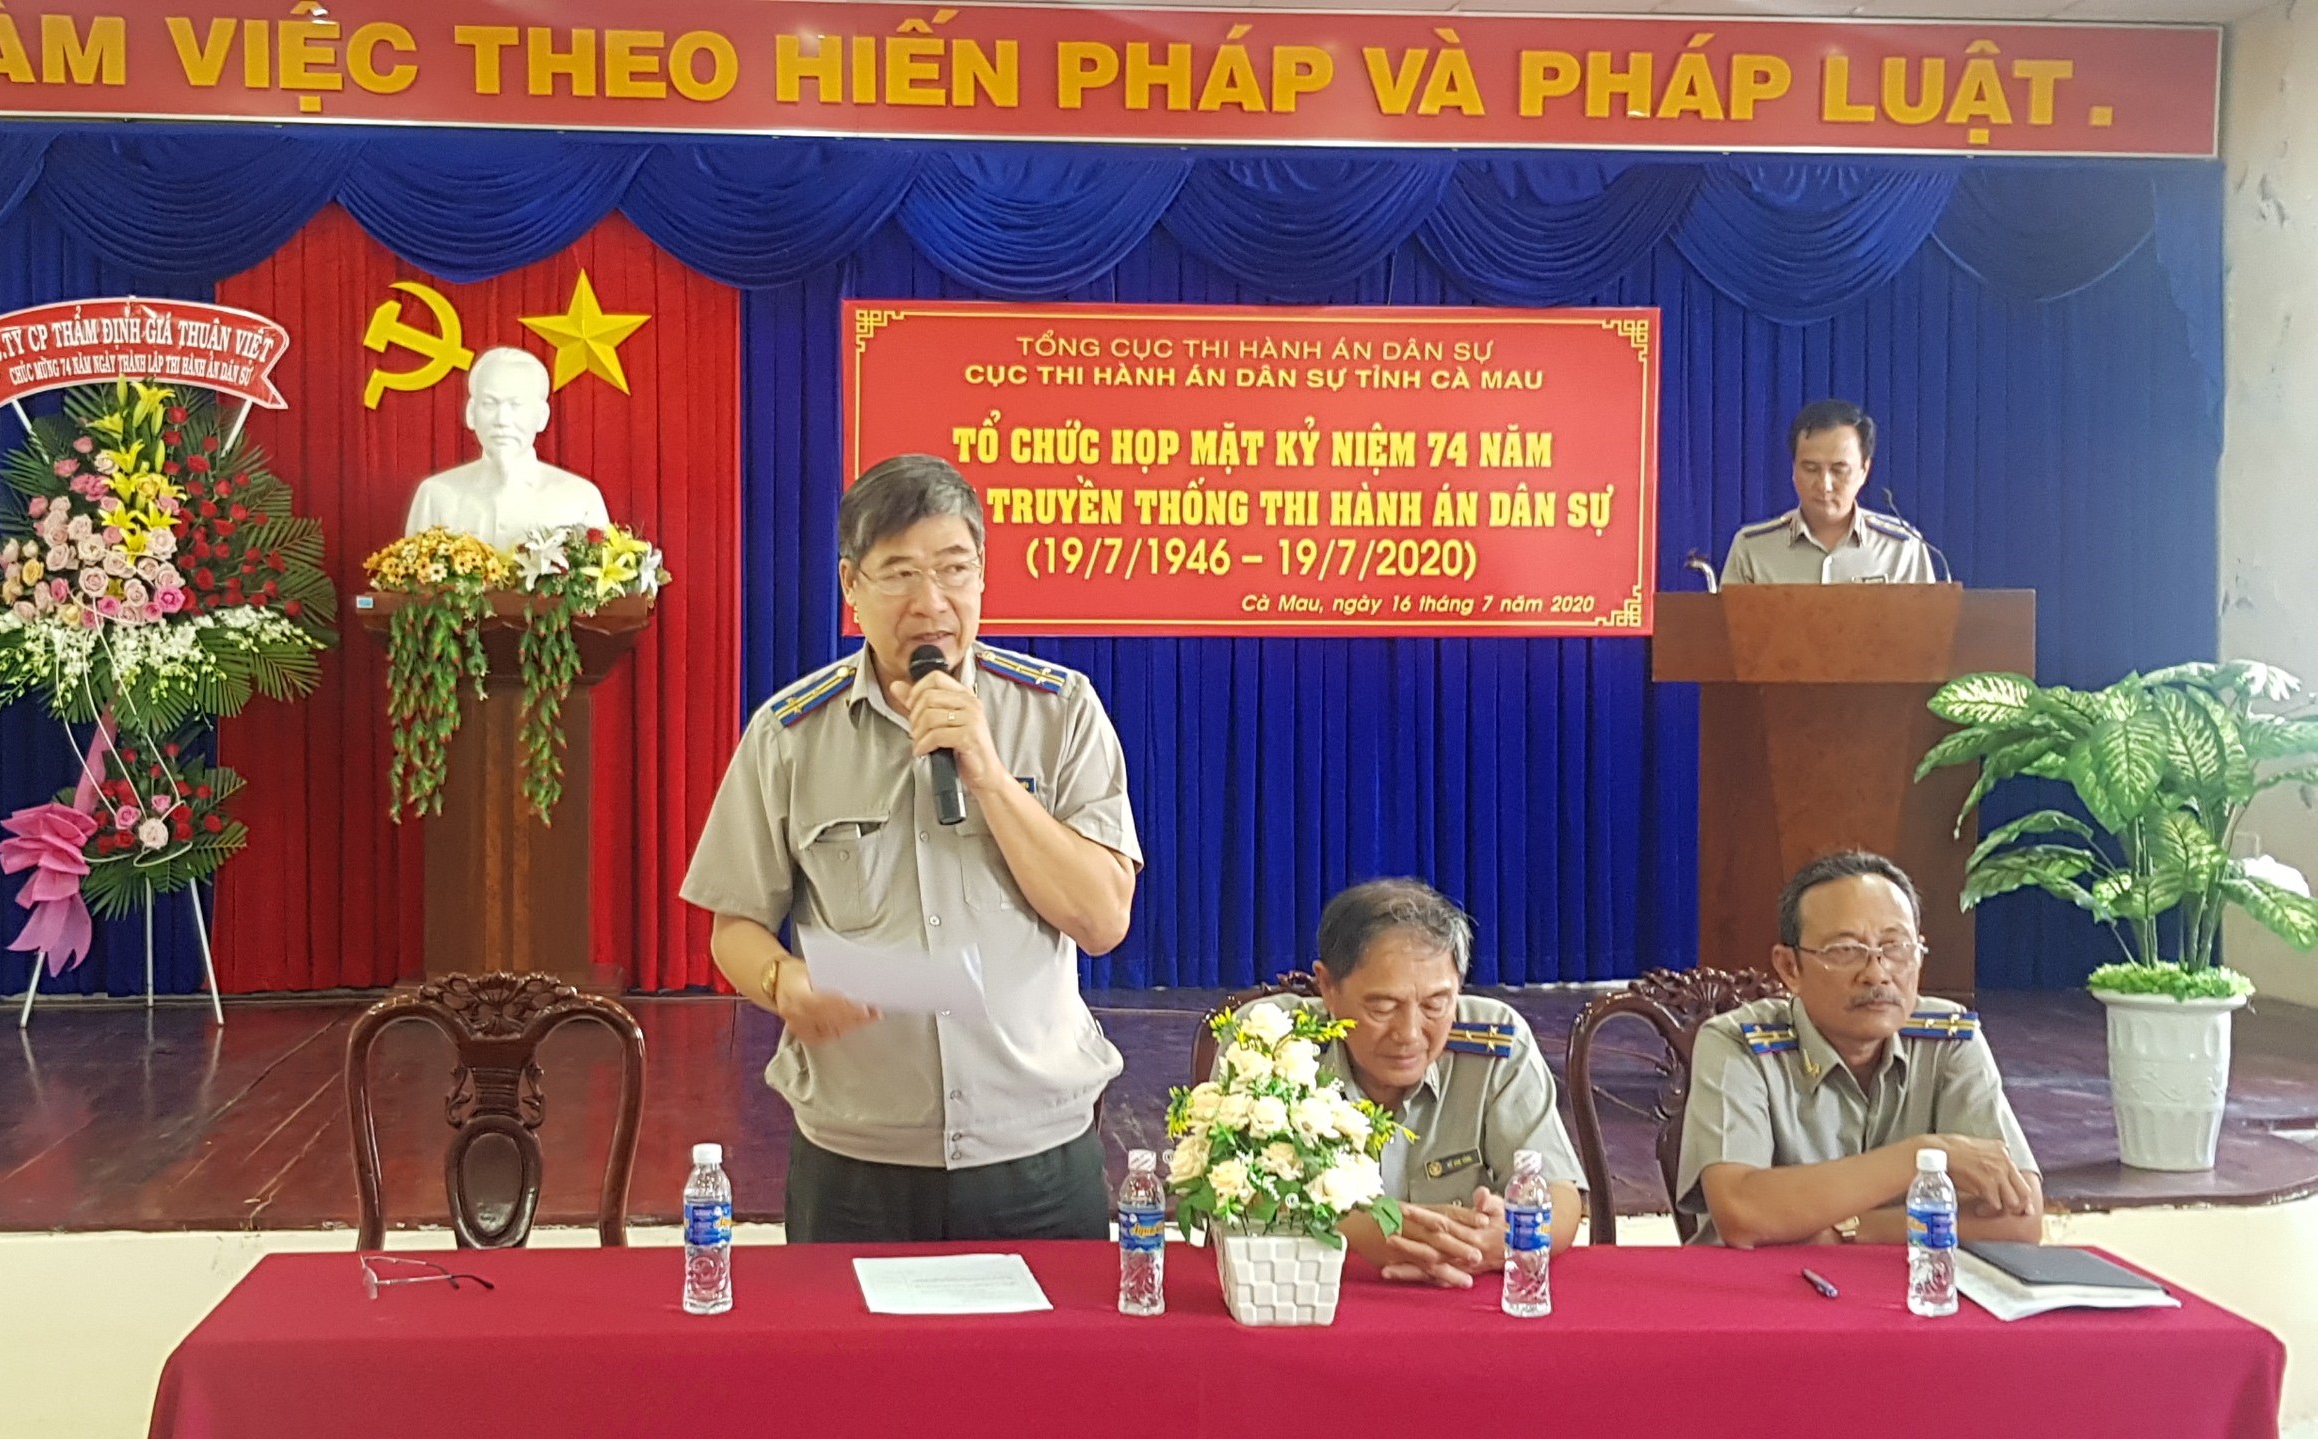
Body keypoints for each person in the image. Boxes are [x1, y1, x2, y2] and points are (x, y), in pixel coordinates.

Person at [680, 453, 1140, 1243]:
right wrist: (782, 979)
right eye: (898, 573)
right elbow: (734, 926)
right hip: (856, 1158)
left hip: (1035, 1151)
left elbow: (1101, 921)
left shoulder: (1060, 711)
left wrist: (988, 775)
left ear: (983, 576)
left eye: (953, 568)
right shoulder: (789, 733)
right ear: (851, 587)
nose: (930, 601)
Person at [1226, 879, 1585, 1287]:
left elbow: (1560, 1195)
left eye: (1435, 1004)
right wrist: (1364, 1229)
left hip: (1461, 1296)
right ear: (1328, 988)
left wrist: (1502, 1238)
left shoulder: (1497, 1042)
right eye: (1383, 1007)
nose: (1410, 1034)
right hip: (1309, 1295)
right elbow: (1233, 1194)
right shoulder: (1269, 1040)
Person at [1677, 850, 2043, 1248]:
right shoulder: (1738, 1043)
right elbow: (1742, 1212)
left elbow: (2020, 1217)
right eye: (1845, 950)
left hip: (1903, 1282)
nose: (1877, 973)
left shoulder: (1949, 1039)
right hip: (1758, 1283)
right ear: (1790, 968)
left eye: (1896, 947)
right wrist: (1923, 1155)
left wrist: (1849, 1231)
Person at [403, 347, 611, 550]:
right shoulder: (435, 495)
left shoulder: (579, 498)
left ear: (542, 416)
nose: (502, 420)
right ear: (471, 413)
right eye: (489, 404)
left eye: (516, 405)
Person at [1719, 399, 1935, 585]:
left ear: (1864, 470)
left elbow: (1926, 622)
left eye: (1839, 470)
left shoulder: (1902, 548)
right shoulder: (1751, 549)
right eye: (1811, 469)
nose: (1824, 485)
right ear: (1794, 470)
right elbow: (1729, 622)